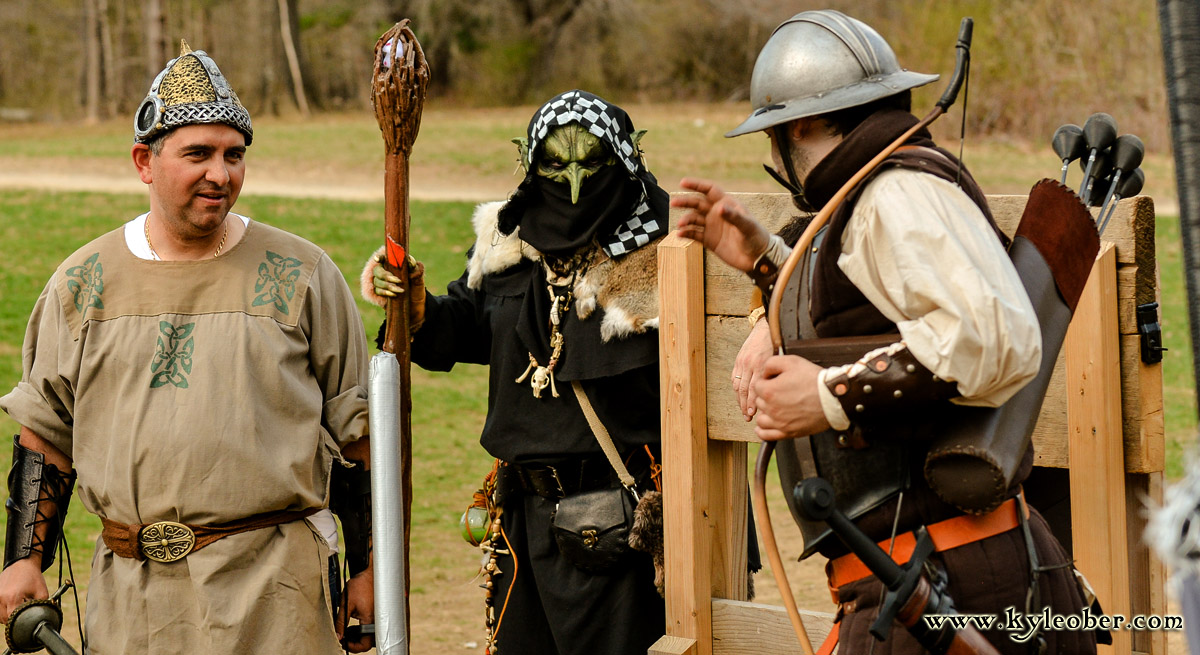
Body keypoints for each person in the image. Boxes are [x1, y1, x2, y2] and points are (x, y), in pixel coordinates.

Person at [673, 11, 1097, 655]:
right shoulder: (868, 193)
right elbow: (877, 312)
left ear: (802, 126)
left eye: (774, 135)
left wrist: (829, 395)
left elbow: (992, 340)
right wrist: (770, 264)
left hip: (949, 586)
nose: (772, 155)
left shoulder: (896, 192)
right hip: (915, 581)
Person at [0, 43, 375, 654]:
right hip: (132, 597)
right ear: (144, 162)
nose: (220, 174)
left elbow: (359, 437)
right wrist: (23, 560)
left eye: (233, 155)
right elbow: (45, 435)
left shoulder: (301, 274)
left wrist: (368, 568)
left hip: (275, 591)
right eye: (197, 153)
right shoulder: (82, 282)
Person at [364, 90, 672, 655]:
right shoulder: (507, 244)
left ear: (625, 159)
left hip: (626, 523)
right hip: (522, 521)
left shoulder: (662, 247)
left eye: (593, 162)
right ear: (531, 165)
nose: (575, 183)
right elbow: (465, 327)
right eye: (557, 165)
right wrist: (415, 304)